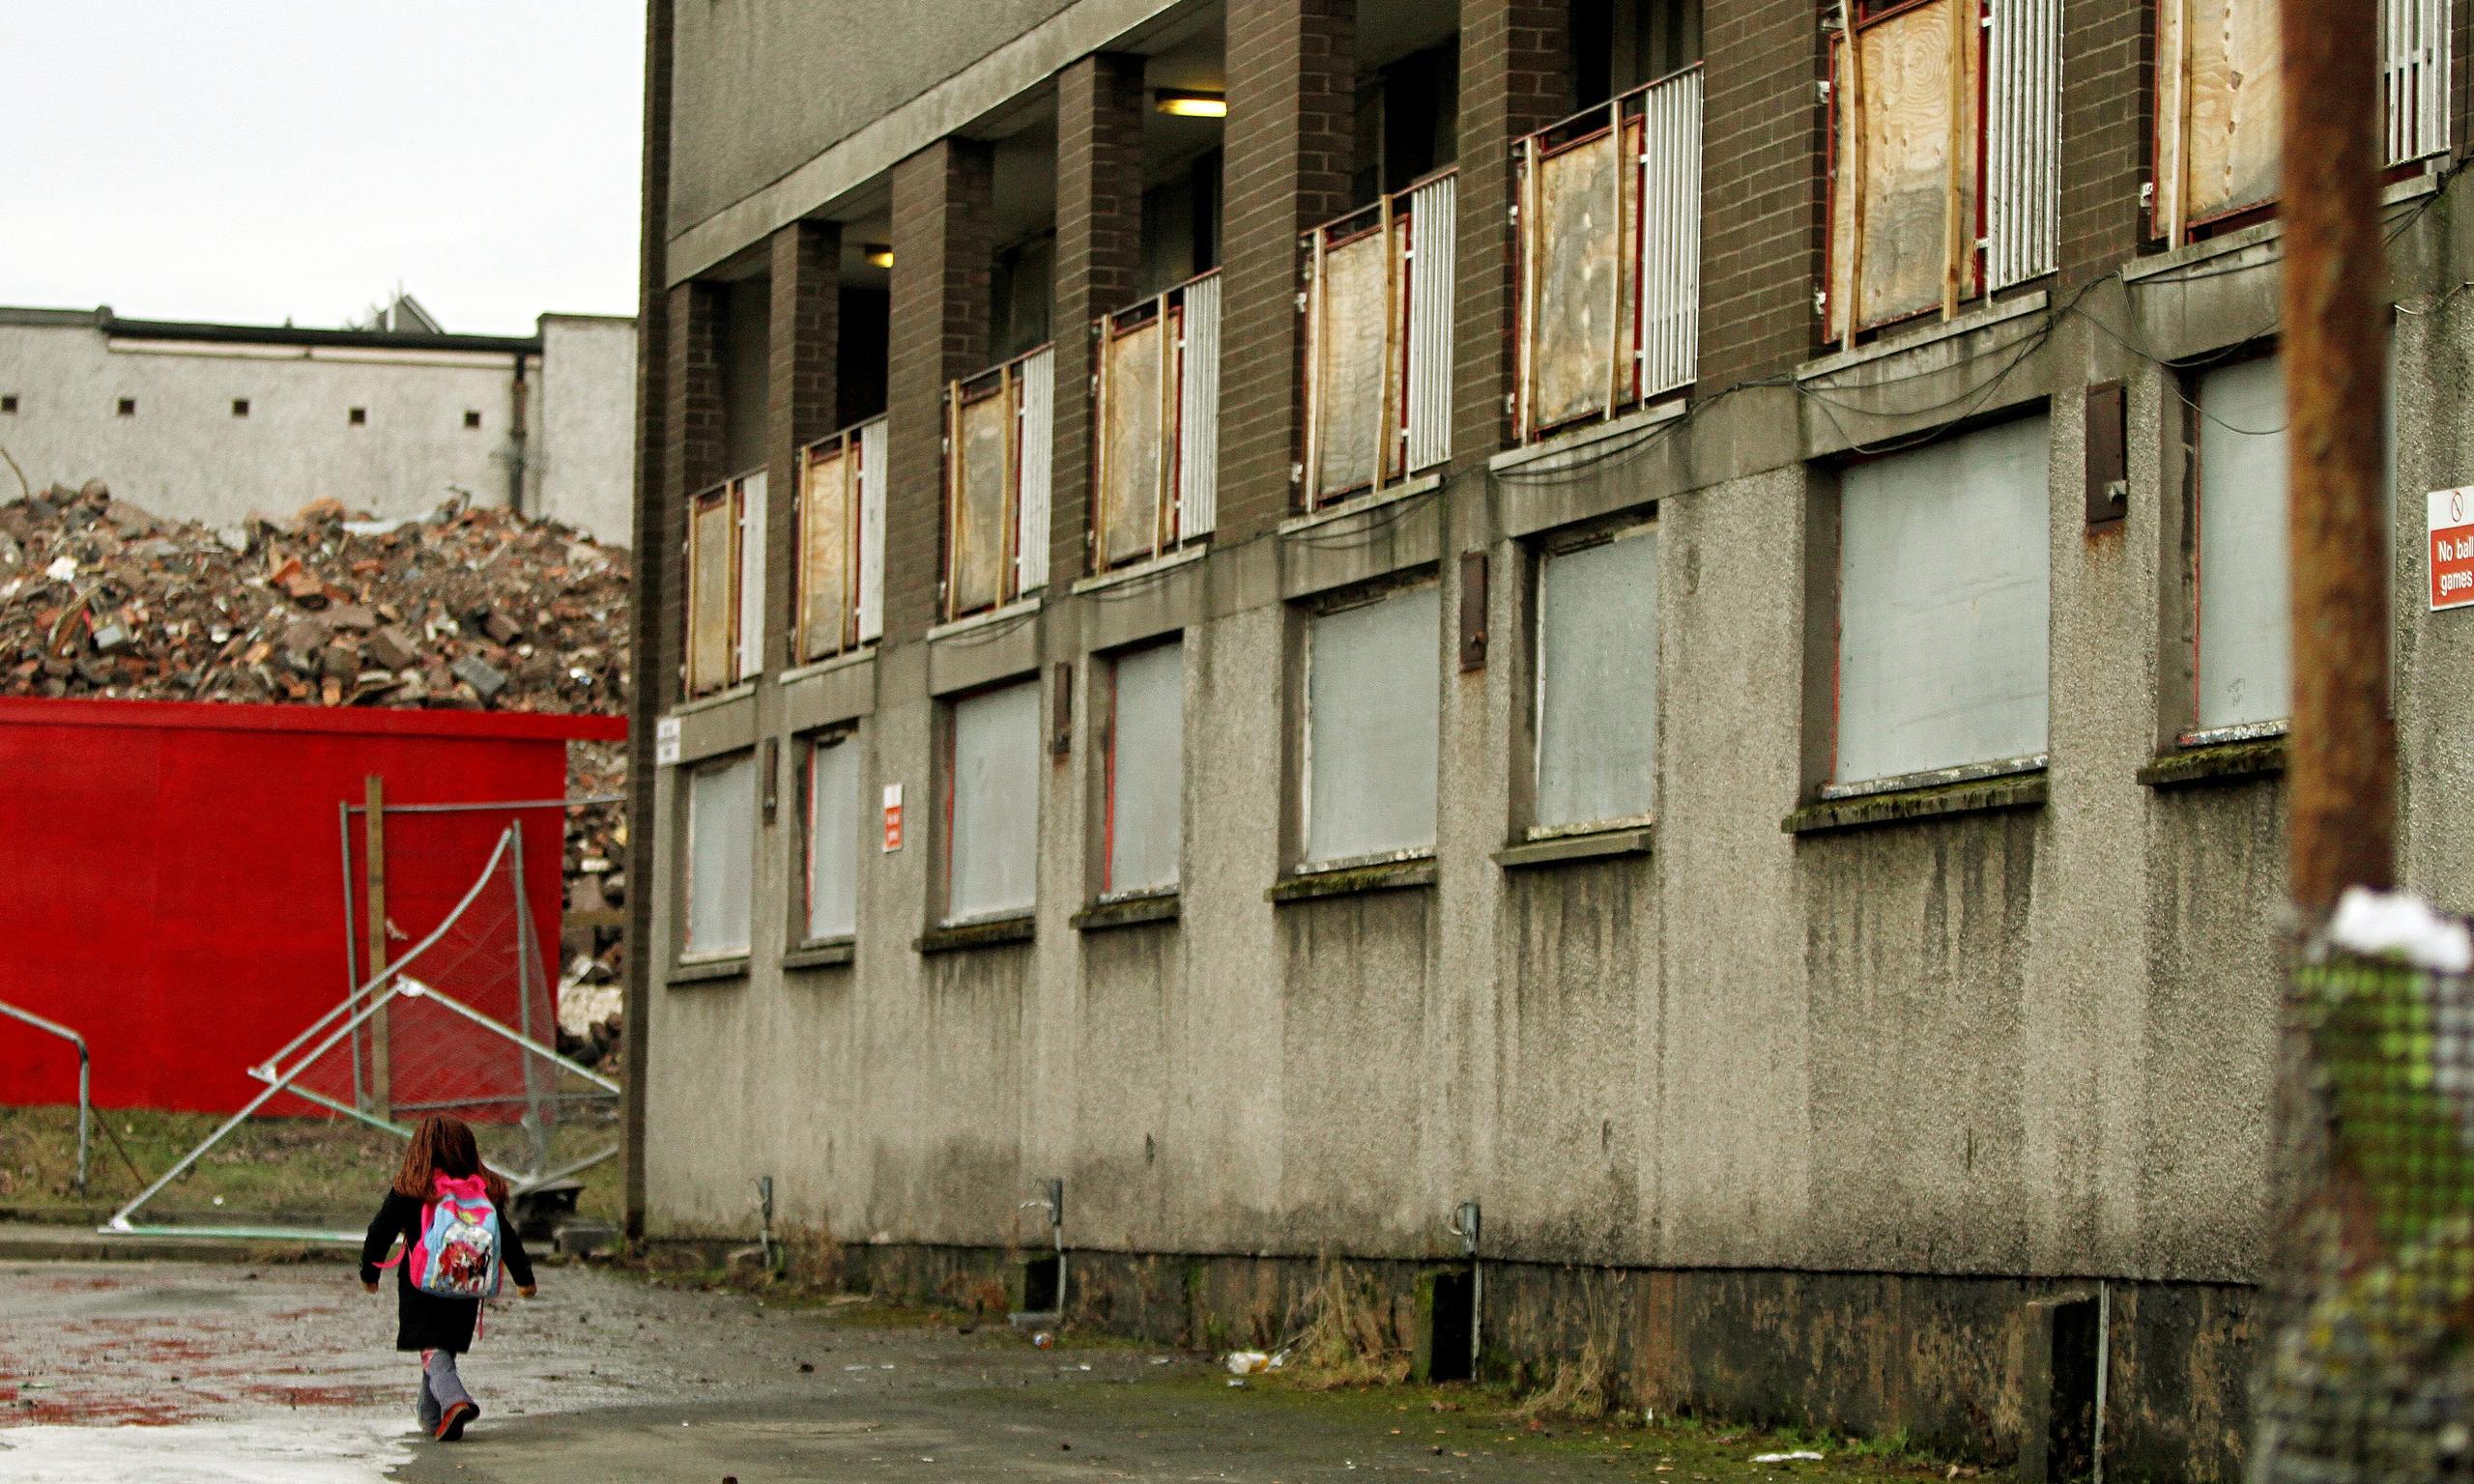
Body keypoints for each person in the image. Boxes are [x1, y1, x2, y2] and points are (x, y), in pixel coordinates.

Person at [359, 1115, 538, 1441]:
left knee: (433, 1352)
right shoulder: (482, 1191)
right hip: (467, 1283)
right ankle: (434, 1420)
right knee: (442, 1348)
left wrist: (369, 1271)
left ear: (419, 1150)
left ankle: (455, 1401)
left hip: (421, 1288)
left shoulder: (413, 1190)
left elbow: (379, 1231)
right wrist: (524, 1278)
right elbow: (507, 1239)